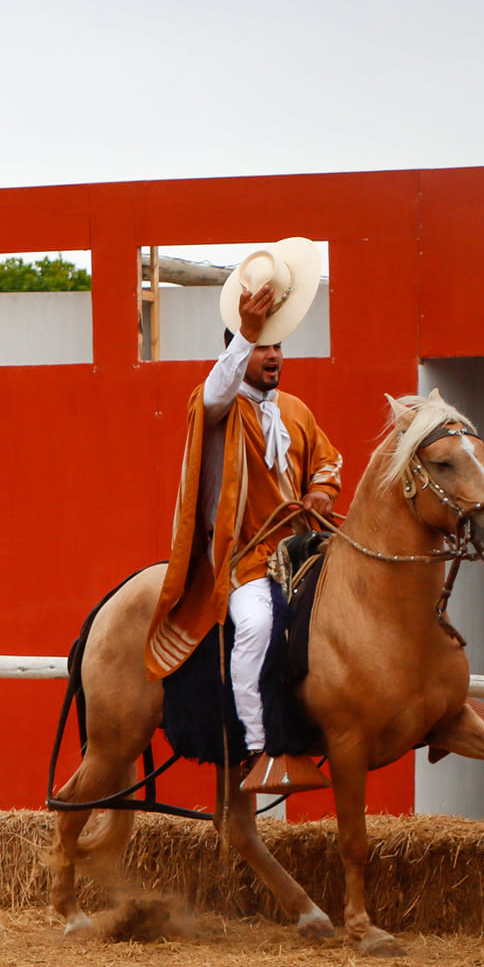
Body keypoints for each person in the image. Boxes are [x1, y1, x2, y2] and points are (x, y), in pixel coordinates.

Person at [146, 263, 342, 792]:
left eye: (278, 346)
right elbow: (216, 387)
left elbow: (328, 462)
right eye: (262, 347)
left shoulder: (297, 411)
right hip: (243, 560)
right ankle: (261, 747)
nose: (274, 355)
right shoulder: (214, 405)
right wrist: (245, 334)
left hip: (304, 551)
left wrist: (321, 490)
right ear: (239, 353)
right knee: (255, 626)